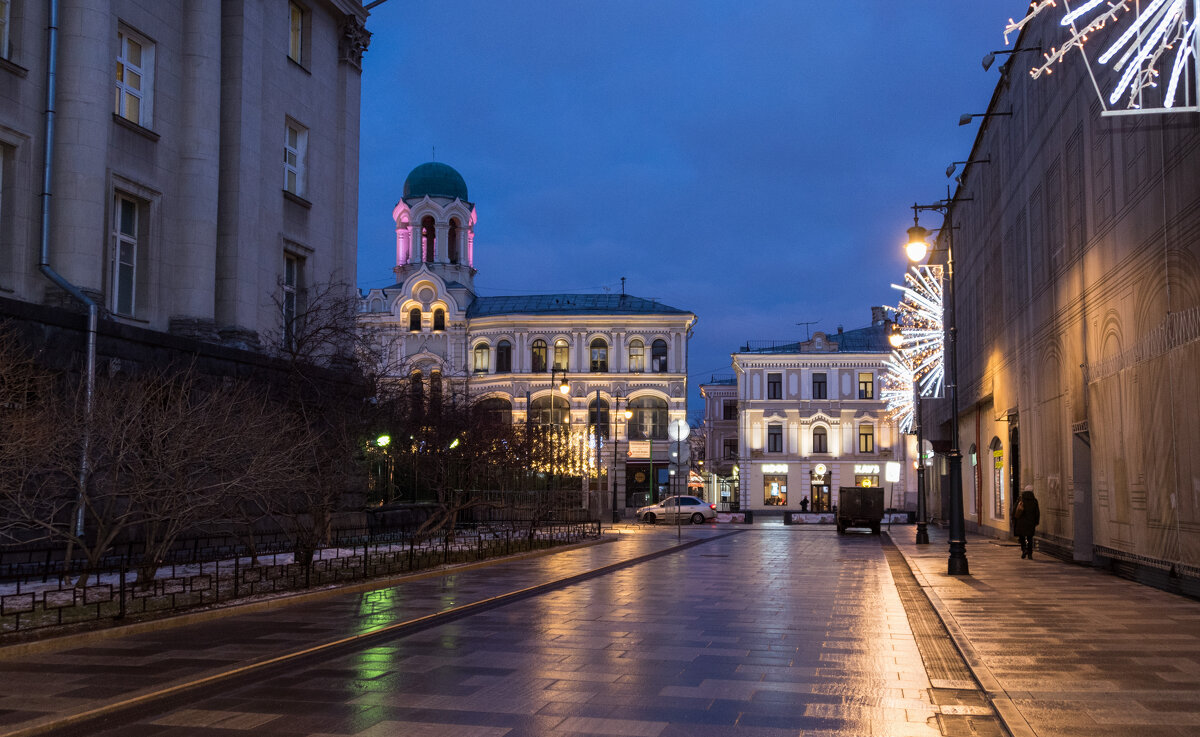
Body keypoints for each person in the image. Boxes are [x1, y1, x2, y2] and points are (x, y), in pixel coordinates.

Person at [1014, 485, 1040, 559]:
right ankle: (1030, 554)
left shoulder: (1020, 499)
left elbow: (1015, 510)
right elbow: (1037, 512)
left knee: (1022, 537)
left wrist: (1014, 519)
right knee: (1030, 538)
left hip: (1021, 522)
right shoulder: (1034, 501)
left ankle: (1024, 549)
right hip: (1031, 523)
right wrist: (1036, 521)